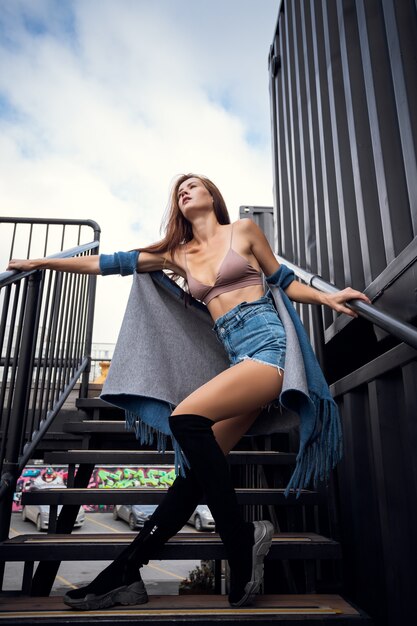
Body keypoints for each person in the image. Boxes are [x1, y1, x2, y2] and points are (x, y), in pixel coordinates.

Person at [7, 174, 370, 611]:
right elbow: (108, 263)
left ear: (212, 195)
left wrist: (329, 300)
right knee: (190, 480)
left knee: (185, 419)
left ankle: (239, 540)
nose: (184, 189)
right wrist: (45, 264)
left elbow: (285, 281)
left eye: (193, 184)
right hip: (238, 362)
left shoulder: (244, 231)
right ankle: (125, 573)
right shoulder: (177, 255)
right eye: (179, 189)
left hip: (270, 351)